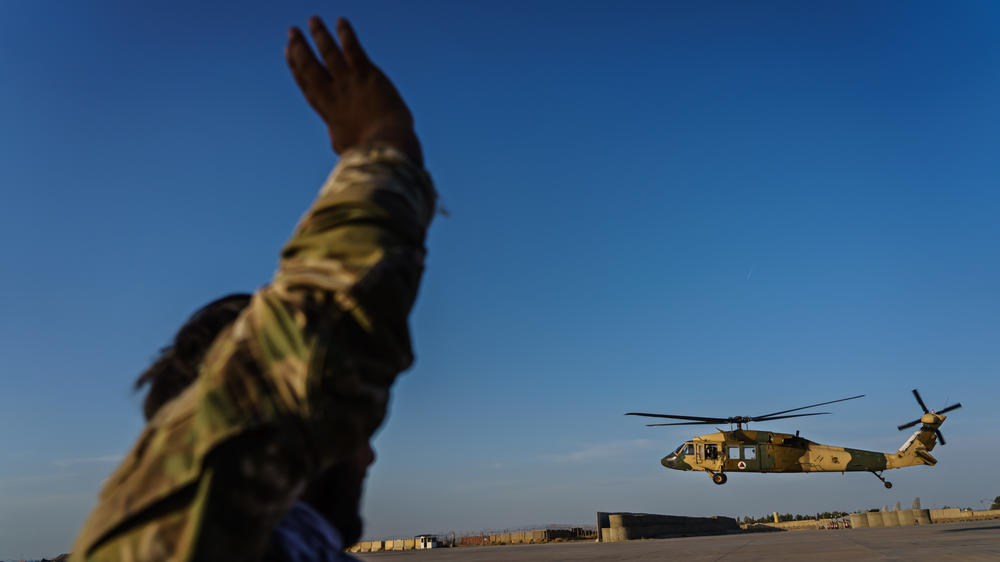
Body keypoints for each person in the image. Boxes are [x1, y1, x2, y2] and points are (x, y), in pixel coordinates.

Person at [70, 14, 435, 561]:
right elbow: (313, 338)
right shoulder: (168, 541)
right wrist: (383, 141)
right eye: (347, 430)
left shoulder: (291, 549)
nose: (367, 457)